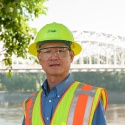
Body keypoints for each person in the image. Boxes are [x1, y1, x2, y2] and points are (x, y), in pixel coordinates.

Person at [22, 22, 108, 125]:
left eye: (60, 50)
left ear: (71, 56)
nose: (53, 57)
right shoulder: (30, 104)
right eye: (47, 51)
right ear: (39, 58)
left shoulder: (90, 99)